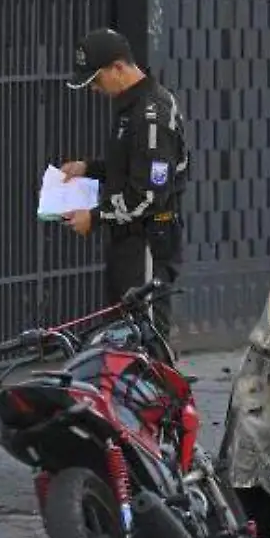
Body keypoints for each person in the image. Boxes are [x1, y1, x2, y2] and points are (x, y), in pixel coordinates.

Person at [56, 27, 190, 335]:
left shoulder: (151, 114)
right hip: (127, 239)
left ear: (118, 68)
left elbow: (148, 195)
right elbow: (130, 169)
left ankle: (158, 385)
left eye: (96, 80)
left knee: (146, 335)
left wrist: (94, 215)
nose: (95, 89)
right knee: (122, 334)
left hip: (148, 239)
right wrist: (86, 168)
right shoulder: (130, 107)